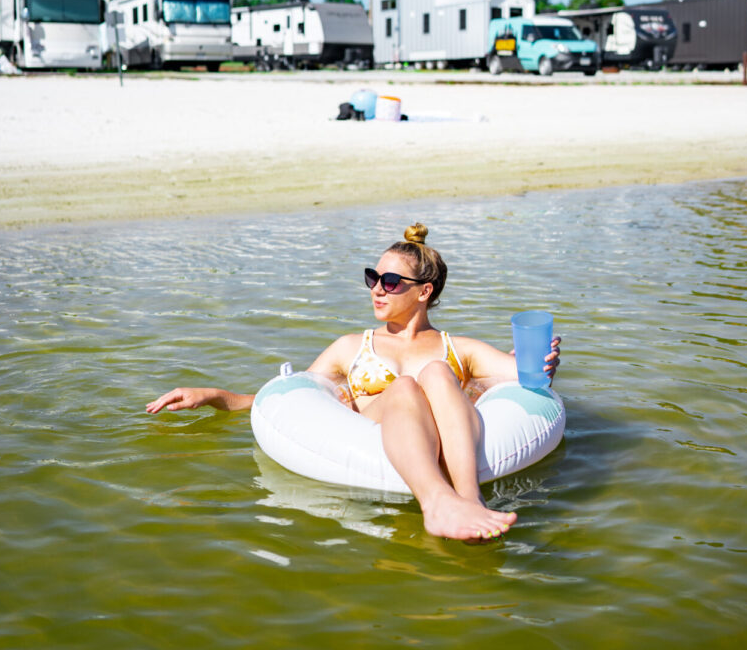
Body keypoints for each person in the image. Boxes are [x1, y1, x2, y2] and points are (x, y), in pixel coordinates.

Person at [146, 222, 561, 543]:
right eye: (372, 278)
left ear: (424, 291)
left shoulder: (461, 349)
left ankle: (468, 500)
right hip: (385, 427)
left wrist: (543, 362)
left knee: (436, 372)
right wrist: (218, 396)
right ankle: (436, 503)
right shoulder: (351, 348)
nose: (377, 290)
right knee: (403, 387)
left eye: (391, 282)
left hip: (449, 427)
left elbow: (524, 381)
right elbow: (292, 398)